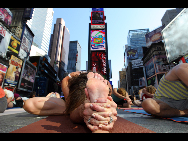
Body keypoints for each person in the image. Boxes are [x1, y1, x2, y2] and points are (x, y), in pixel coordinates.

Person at [23, 71, 117, 133]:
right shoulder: (70, 89)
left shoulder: (93, 82)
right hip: (70, 103)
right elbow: (66, 81)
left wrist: (72, 74)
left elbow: (65, 80)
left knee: (29, 104)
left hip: (76, 103)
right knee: (29, 104)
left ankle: (92, 107)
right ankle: (89, 109)